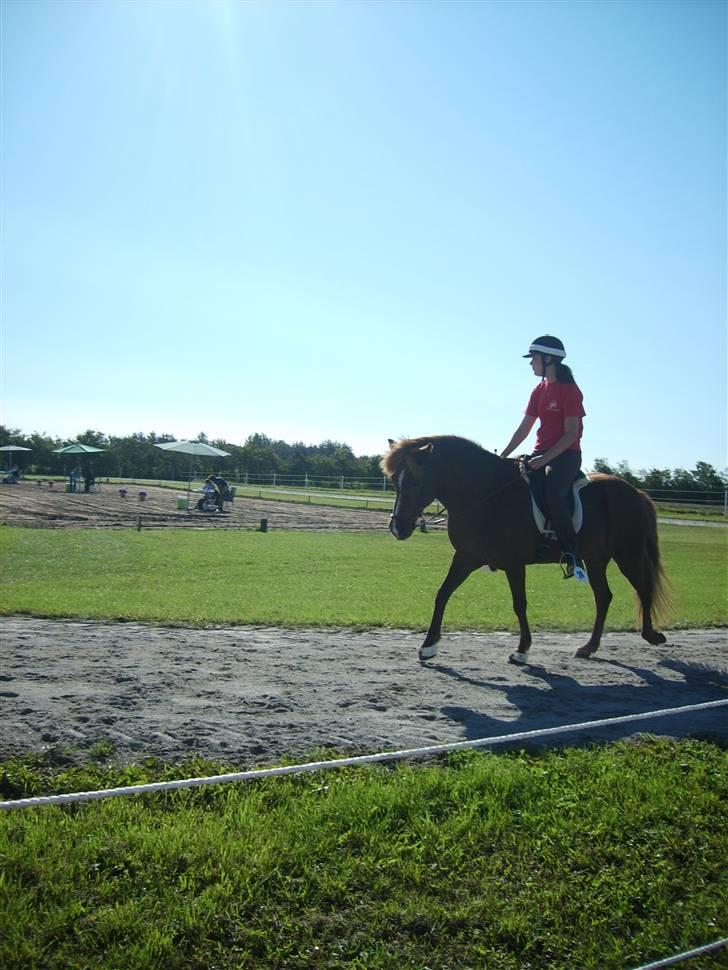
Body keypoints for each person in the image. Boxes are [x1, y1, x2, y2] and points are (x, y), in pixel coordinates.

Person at [500, 335, 587, 582]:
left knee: (553, 492)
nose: (530, 364)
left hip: (566, 457)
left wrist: (546, 459)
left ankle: (572, 554)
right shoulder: (539, 390)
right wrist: (504, 455)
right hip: (540, 454)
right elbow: (523, 430)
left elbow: (571, 434)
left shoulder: (570, 390)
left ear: (548, 359)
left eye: (533, 359)